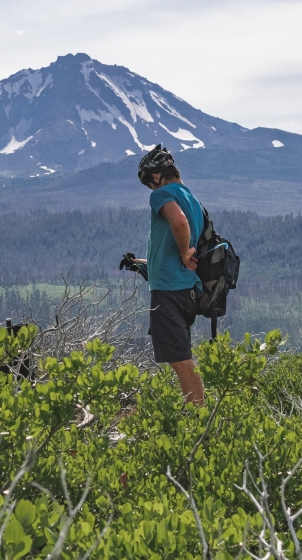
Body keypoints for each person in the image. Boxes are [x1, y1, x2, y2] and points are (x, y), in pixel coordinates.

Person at [124, 144, 205, 407]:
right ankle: (197, 412)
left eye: (149, 183)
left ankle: (200, 419)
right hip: (186, 289)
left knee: (181, 360)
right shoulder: (192, 199)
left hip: (170, 291)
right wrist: (142, 265)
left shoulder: (162, 195)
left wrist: (183, 253)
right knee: (181, 357)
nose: (151, 189)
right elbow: (173, 248)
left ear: (156, 175)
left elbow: (178, 223)